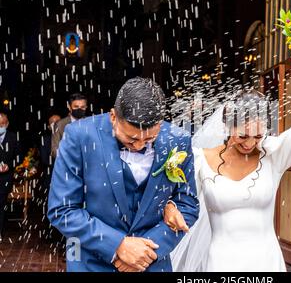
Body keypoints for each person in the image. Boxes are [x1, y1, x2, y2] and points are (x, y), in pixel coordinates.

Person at [165, 62, 291, 271]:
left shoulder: (273, 156)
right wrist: (170, 206)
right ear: (227, 125)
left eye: (258, 136)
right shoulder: (200, 160)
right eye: (242, 135)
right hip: (221, 263)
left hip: (266, 262)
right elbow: (180, 199)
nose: (250, 143)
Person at [48, 77, 199, 272]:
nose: (139, 146)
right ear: (113, 117)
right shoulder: (79, 135)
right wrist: (117, 245)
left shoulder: (178, 140)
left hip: (152, 264)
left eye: (149, 139)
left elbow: (188, 204)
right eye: (131, 139)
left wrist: (145, 251)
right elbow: (62, 210)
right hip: (91, 264)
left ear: (160, 124)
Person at [0, 112, 21, 242]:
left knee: (0, 204)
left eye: (2, 124)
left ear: (7, 124)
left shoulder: (13, 137)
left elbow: (18, 157)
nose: (0, 126)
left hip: (5, 178)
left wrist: (9, 166)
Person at [51, 93, 88, 158]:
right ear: (69, 106)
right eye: (76, 107)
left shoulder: (90, 123)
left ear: (86, 107)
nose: (79, 109)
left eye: (82, 107)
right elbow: (55, 150)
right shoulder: (60, 125)